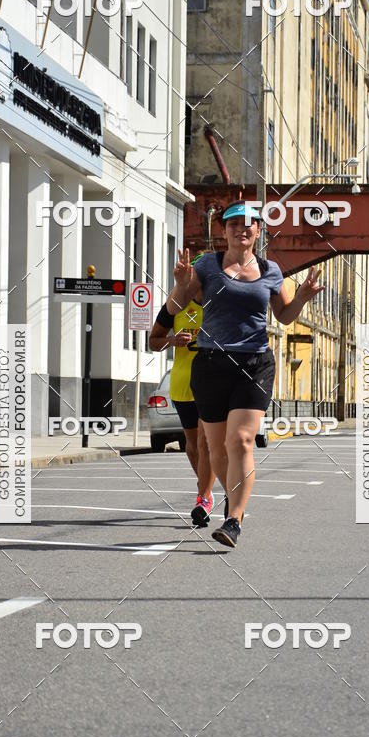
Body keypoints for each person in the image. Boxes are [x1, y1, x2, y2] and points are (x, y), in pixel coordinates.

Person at [167, 201, 324, 548]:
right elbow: (176, 307)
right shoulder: (206, 265)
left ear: (258, 231)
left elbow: (284, 316)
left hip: (253, 364)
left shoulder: (270, 270)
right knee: (218, 448)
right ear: (223, 231)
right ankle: (232, 497)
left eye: (249, 223)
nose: (242, 229)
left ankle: (234, 520)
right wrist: (180, 284)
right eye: (234, 223)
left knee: (240, 441)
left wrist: (302, 297)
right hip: (209, 364)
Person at [149, 279, 216, 526]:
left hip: (211, 382)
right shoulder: (175, 307)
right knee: (192, 444)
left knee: (206, 440)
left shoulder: (219, 306)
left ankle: (204, 498)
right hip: (182, 382)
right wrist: (172, 341)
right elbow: (153, 341)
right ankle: (205, 488)